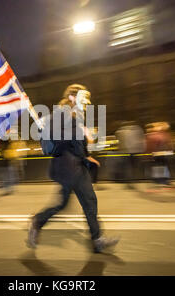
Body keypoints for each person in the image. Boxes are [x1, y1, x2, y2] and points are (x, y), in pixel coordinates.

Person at [27, 84, 119, 253]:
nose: (86, 102)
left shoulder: (75, 114)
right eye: (83, 97)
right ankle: (97, 239)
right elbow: (59, 140)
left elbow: (76, 143)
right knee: (88, 200)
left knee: (65, 204)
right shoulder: (61, 113)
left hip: (74, 165)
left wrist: (86, 154)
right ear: (71, 97)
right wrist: (80, 131)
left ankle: (37, 222)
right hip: (68, 166)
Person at [115, 121, 146, 187]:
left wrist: (121, 149)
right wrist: (141, 149)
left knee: (127, 167)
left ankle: (128, 182)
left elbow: (119, 142)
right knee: (133, 167)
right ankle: (132, 181)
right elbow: (141, 141)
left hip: (125, 152)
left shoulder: (120, 131)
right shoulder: (137, 129)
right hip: (134, 151)